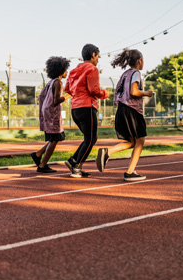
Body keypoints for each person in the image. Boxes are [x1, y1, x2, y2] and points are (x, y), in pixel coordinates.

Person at [96, 49, 153, 182]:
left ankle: (108, 152)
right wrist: (146, 93)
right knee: (140, 140)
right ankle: (130, 172)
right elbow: (134, 91)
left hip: (121, 109)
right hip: (132, 109)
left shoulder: (124, 74)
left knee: (132, 141)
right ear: (139, 61)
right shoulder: (136, 73)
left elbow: (118, 93)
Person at [64, 44, 109, 178]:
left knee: (88, 138)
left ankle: (73, 161)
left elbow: (67, 89)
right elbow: (93, 90)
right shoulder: (92, 69)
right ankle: (77, 166)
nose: (98, 60)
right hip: (87, 107)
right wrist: (105, 94)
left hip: (75, 109)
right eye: (98, 57)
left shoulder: (74, 70)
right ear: (93, 55)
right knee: (91, 139)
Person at [31, 56, 70, 173]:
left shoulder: (50, 82)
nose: (66, 72)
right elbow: (56, 100)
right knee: (55, 139)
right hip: (52, 114)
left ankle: (38, 155)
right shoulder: (58, 82)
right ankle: (42, 165)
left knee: (57, 137)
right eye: (65, 69)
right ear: (60, 70)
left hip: (48, 112)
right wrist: (69, 95)